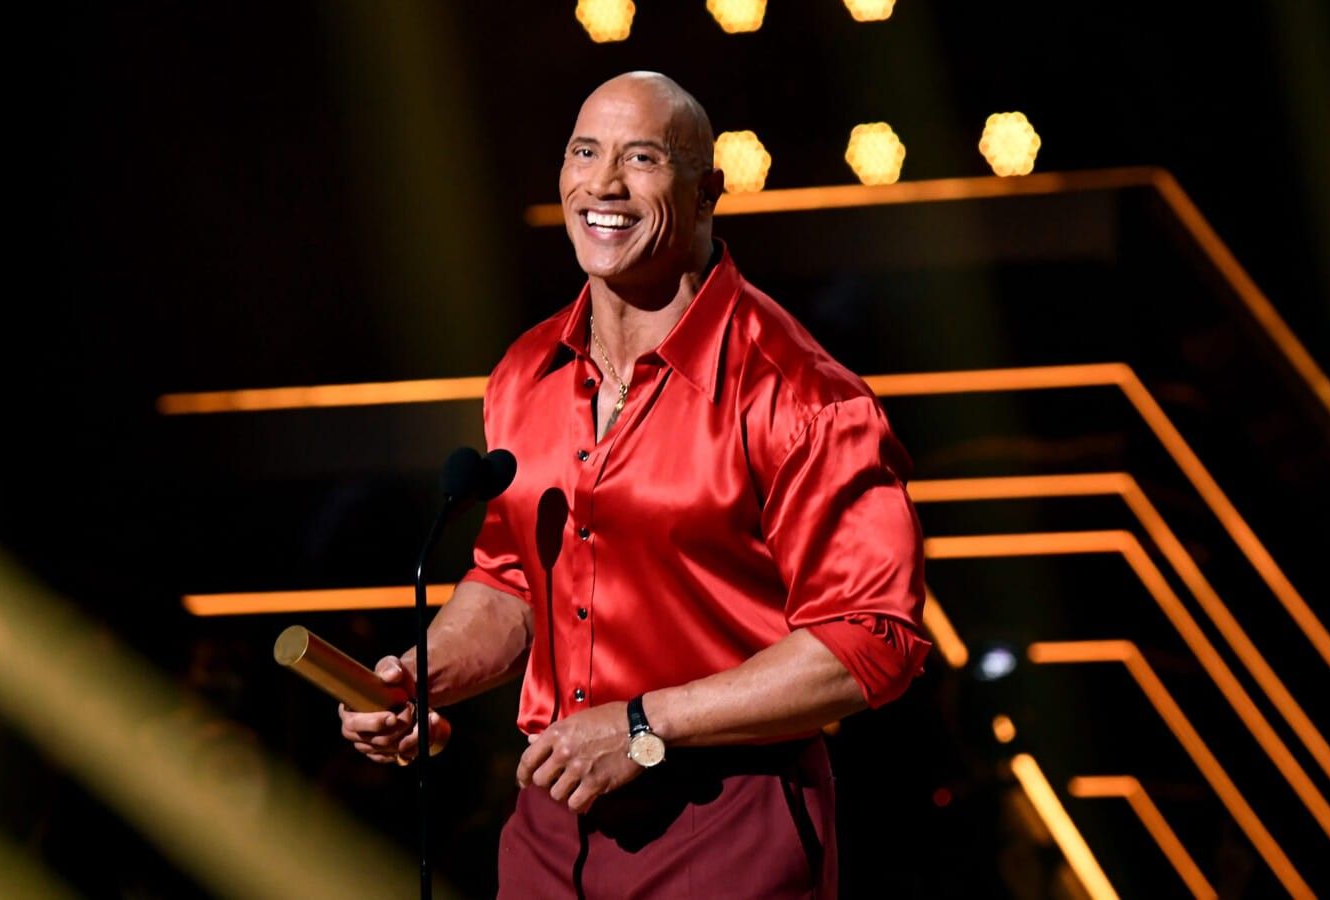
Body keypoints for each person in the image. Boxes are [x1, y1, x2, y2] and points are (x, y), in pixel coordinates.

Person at [340, 71, 930, 898]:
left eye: (642, 158)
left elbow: (873, 639)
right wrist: (417, 675)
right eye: (586, 152)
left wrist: (645, 727)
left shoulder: (799, 394)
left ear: (706, 193)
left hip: (729, 824)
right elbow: (512, 579)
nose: (604, 183)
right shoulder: (524, 374)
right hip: (550, 825)